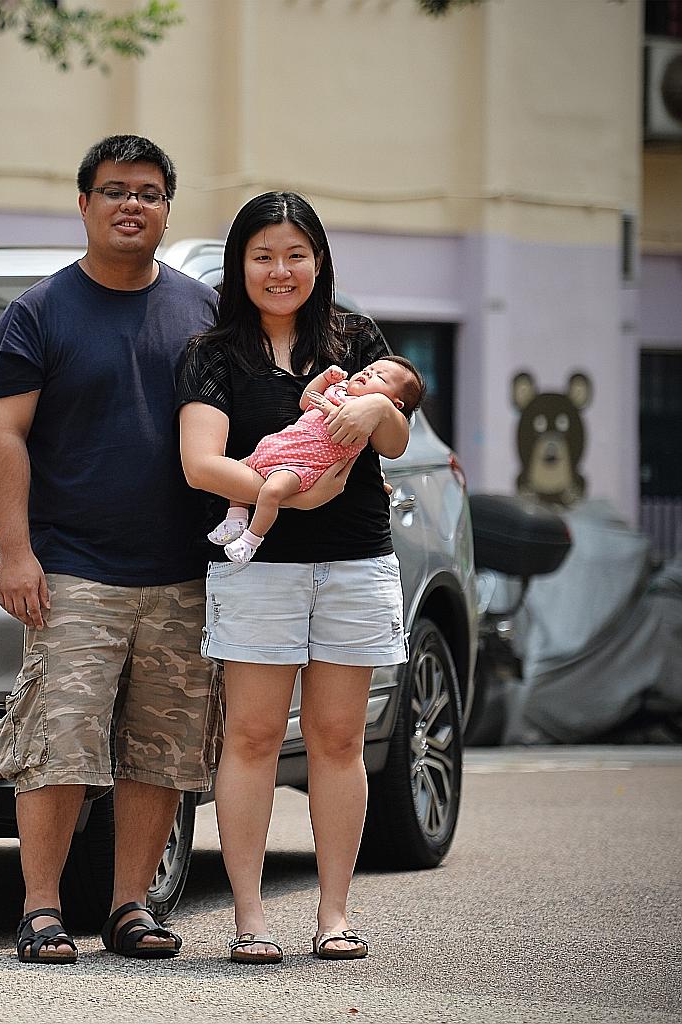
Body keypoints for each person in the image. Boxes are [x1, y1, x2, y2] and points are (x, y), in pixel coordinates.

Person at [0, 135, 222, 965]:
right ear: (83, 204)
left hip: (183, 572)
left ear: (166, 210)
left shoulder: (201, 310)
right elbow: (5, 435)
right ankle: (41, 910)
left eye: (149, 194)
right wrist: (17, 554)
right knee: (59, 746)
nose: (132, 205)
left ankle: (129, 907)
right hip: (74, 568)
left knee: (161, 750)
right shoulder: (41, 312)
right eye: (115, 191)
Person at [178, 191, 411, 964]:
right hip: (259, 568)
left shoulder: (355, 336)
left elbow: (400, 435)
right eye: (264, 256)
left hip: (355, 561)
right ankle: (250, 919)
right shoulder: (212, 352)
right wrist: (294, 493)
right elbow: (199, 463)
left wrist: (375, 413)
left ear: (318, 260)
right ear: (240, 264)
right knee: (249, 737)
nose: (281, 271)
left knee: (339, 738)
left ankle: (335, 915)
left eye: (296, 255)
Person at [208, 355, 424, 563]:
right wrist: (325, 378)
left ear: (396, 405)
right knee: (236, 471)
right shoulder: (339, 390)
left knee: (272, 491)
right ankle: (236, 517)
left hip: (302, 465)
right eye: (369, 368)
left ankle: (250, 540)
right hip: (278, 447)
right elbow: (305, 400)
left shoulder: (368, 420)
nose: (368, 373)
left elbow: (342, 425)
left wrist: (369, 406)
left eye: (381, 377)